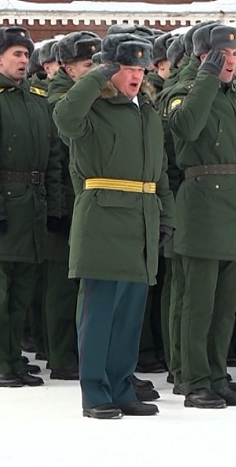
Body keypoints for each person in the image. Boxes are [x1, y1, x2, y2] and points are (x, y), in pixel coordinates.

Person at [52, 33, 175, 419]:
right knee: (100, 312)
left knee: (129, 315)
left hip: (142, 216)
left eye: (141, 68)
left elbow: (160, 172)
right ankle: (95, 392)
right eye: (126, 68)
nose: (136, 76)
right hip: (103, 216)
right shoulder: (92, 109)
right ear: (109, 71)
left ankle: (122, 387)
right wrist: (94, 77)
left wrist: (166, 215)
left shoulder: (148, 113)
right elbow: (63, 116)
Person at [0, 26, 63, 388]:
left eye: (27, 54)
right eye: (17, 54)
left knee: (21, 292)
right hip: (3, 206)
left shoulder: (37, 101)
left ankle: (12, 356)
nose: (25, 60)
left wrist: (53, 206)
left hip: (32, 207)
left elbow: (53, 159)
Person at [169, 23, 236, 408]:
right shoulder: (182, 91)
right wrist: (204, 78)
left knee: (226, 305)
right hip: (202, 202)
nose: (231, 62)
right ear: (204, 55)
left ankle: (218, 374)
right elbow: (186, 127)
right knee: (199, 302)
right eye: (223, 54)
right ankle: (194, 378)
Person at [44, 31, 103, 381]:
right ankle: (62, 354)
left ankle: (85, 354)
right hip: (67, 202)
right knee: (62, 289)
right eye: (87, 65)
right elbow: (54, 159)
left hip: (89, 202)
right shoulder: (59, 103)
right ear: (67, 70)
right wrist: (57, 208)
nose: (95, 70)